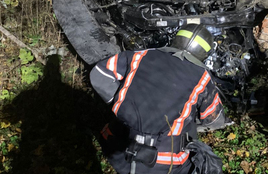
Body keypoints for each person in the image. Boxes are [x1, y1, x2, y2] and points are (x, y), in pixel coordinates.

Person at [90, 24, 231, 174]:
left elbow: (99, 74)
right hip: (162, 162)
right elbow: (214, 120)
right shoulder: (202, 78)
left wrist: (120, 104)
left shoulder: (140, 55)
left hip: (118, 147)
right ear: (205, 53)